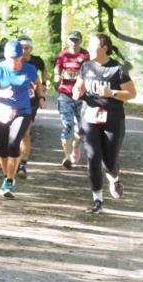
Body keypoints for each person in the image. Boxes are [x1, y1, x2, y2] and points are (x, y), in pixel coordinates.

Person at [72, 32, 136, 214]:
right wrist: (77, 92)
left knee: (109, 160)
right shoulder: (86, 66)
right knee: (93, 157)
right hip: (89, 117)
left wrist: (112, 93)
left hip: (113, 118)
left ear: (104, 48)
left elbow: (132, 94)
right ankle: (97, 200)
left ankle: (114, 178)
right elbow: (78, 87)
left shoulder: (118, 69)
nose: (88, 49)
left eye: (92, 46)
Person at [0, 40, 43, 198]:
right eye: (11, 58)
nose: (14, 61)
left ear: (21, 56)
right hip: (2, 111)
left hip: (22, 111)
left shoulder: (30, 69)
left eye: (17, 58)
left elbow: (37, 83)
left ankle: (9, 181)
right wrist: (3, 93)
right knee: (2, 147)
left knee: (13, 142)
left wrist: (41, 96)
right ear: (5, 56)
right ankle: (7, 176)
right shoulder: (0, 68)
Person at [54, 30, 90, 168]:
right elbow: (57, 69)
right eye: (71, 40)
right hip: (65, 94)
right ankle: (67, 157)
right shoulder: (63, 54)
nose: (74, 42)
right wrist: (57, 76)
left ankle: (75, 147)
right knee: (67, 125)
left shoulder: (85, 55)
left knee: (81, 128)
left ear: (80, 41)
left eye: (76, 40)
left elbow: (91, 71)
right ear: (68, 41)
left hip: (81, 95)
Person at [16, 35, 47, 178]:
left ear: (31, 48)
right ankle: (12, 159)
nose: (24, 51)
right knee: (13, 133)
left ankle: (23, 164)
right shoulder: (12, 61)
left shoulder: (36, 61)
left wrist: (42, 88)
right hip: (14, 101)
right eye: (21, 48)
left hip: (31, 101)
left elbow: (43, 71)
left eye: (26, 48)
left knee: (25, 133)